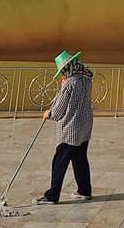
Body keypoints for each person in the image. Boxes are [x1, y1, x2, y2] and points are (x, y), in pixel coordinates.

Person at [37, 51, 93, 204]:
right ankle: (84, 190)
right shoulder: (86, 80)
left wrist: (49, 113)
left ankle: (52, 195)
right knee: (80, 159)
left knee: (59, 161)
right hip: (84, 127)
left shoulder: (69, 83)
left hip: (70, 129)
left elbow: (59, 110)